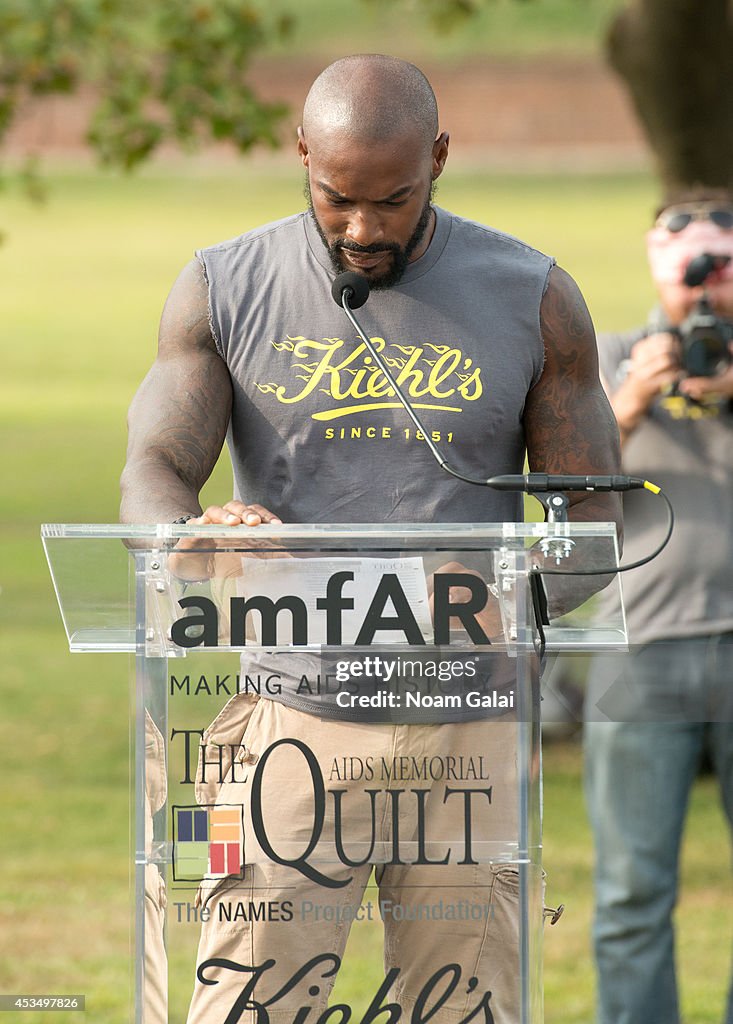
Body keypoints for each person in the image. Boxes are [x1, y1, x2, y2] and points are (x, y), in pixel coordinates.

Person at [121, 54, 622, 1024]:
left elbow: (592, 525)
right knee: (248, 1009)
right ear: (301, 153)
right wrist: (190, 532)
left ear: (438, 159)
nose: (361, 227)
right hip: (289, 721)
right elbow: (152, 470)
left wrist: (496, 597)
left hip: (466, 725)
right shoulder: (222, 286)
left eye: (392, 199)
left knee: (467, 1010)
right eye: (335, 196)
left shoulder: (535, 298)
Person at [584, 189, 733, 1024]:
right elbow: (562, 486)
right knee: (631, 891)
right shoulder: (605, 358)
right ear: (654, 265)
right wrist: (634, 397)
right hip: (640, 651)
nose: (701, 286)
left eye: (718, 266)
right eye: (686, 269)